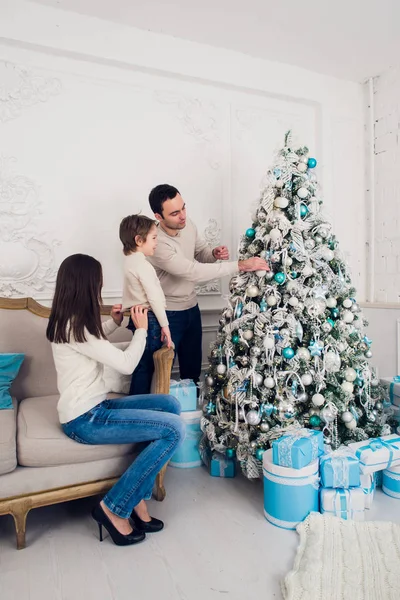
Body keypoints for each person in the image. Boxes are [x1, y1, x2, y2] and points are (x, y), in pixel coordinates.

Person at [46, 253, 185, 547]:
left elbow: (91, 345)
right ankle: (116, 505)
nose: (100, 286)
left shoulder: (69, 322)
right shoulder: (77, 326)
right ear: (86, 285)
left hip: (96, 407)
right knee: (174, 429)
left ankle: (136, 500)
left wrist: (113, 323)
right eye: (97, 282)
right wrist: (143, 330)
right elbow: (125, 364)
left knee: (170, 406)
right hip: (86, 420)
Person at [148, 184, 269, 385]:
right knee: (161, 373)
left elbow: (200, 253)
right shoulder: (157, 243)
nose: (183, 216)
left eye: (184, 207)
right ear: (158, 217)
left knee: (193, 368)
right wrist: (239, 266)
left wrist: (213, 254)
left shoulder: (188, 225)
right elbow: (192, 271)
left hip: (191, 308)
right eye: (175, 213)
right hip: (168, 313)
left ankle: (190, 412)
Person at [120, 214, 172, 395]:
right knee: (145, 367)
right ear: (139, 240)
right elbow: (155, 297)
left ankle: (137, 407)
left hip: (138, 318)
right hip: (148, 320)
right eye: (154, 238)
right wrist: (165, 327)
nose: (156, 242)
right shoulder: (142, 264)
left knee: (141, 366)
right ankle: (139, 409)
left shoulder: (128, 262)